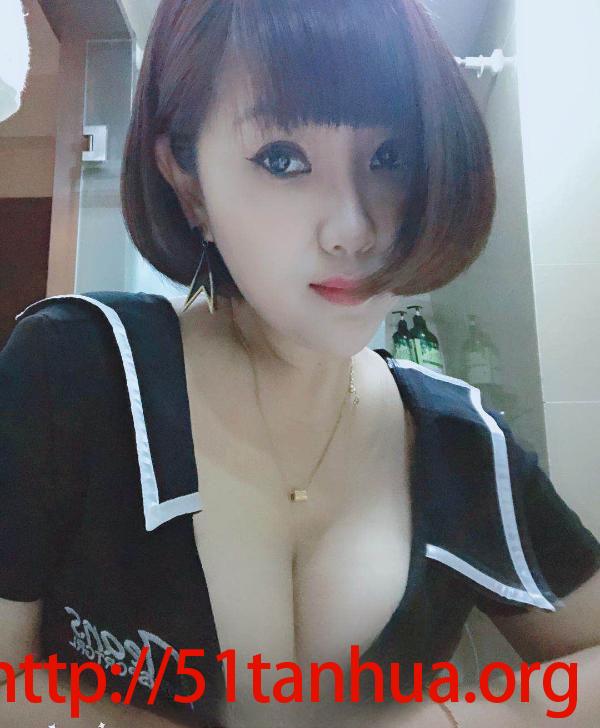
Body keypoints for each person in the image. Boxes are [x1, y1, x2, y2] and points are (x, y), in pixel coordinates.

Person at [1, 1, 599, 727]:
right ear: (188, 182)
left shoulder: (461, 442)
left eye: (390, 157)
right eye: (282, 158)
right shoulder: (77, 372)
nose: (355, 228)